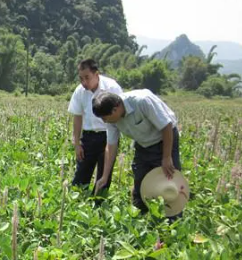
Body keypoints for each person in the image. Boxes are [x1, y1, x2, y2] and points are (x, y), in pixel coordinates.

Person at [92, 89, 182, 217]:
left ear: (116, 109)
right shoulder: (112, 120)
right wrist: (105, 176)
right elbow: (111, 146)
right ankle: (139, 221)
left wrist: (166, 157)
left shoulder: (141, 101)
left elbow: (166, 126)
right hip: (142, 143)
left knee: (169, 181)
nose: (104, 121)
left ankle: (171, 224)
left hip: (164, 139)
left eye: (105, 118)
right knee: (140, 182)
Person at [68, 59, 122, 195]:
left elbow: (120, 112)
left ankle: (98, 208)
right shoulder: (80, 91)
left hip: (108, 135)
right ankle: (75, 205)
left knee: (104, 177)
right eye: (81, 78)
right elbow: (77, 116)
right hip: (88, 137)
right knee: (80, 178)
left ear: (96, 74)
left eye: (87, 78)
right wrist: (77, 143)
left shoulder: (112, 87)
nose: (84, 82)